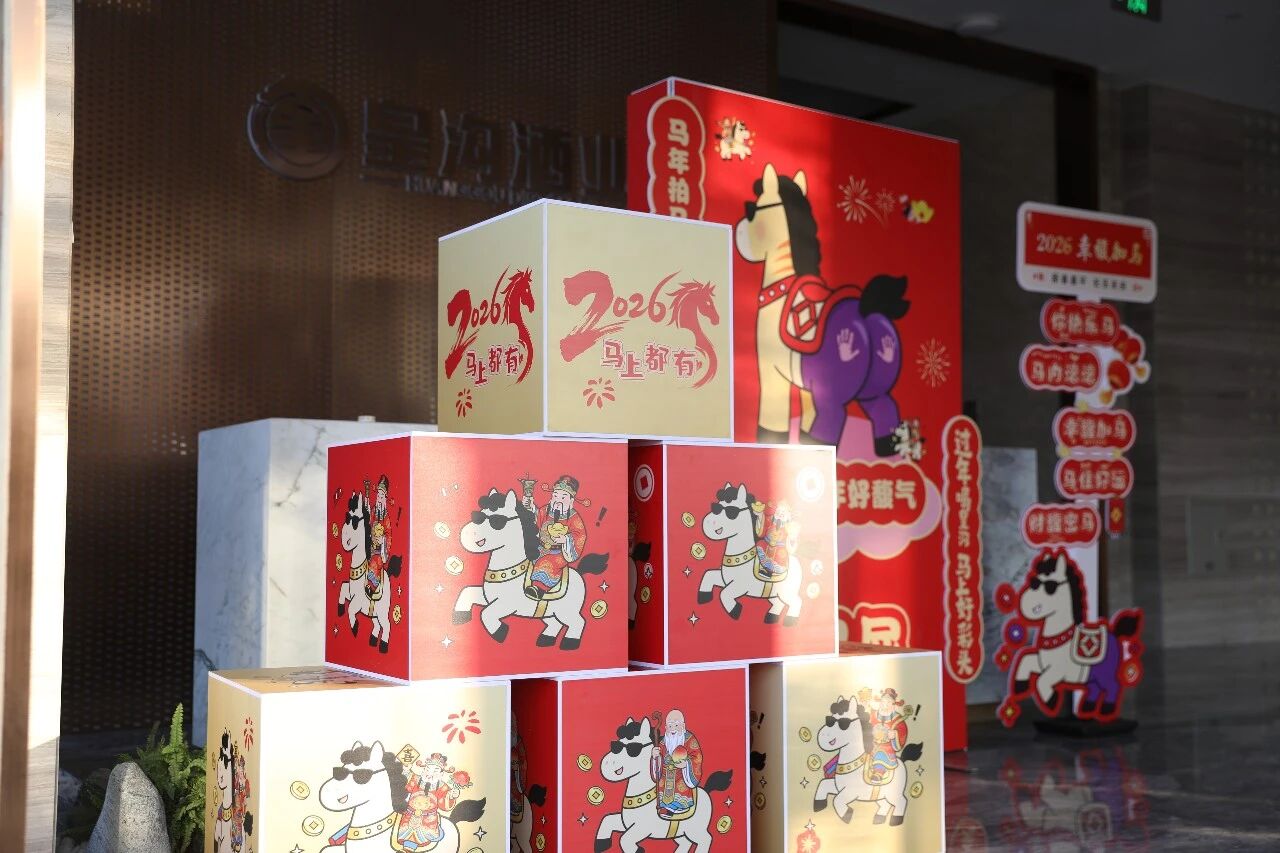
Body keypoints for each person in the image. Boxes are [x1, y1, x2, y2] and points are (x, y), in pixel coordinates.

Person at [525, 475, 588, 599]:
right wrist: (530, 507)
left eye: (563, 497)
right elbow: (536, 520)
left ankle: (538, 589)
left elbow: (580, 535)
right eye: (556, 496)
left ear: (571, 500)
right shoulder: (545, 510)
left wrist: (565, 539)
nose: (558, 500)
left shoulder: (574, 518)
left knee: (547, 563)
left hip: (558, 553)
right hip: (539, 547)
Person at [650, 709, 703, 820]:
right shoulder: (663, 742)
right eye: (670, 725)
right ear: (666, 727)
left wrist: (686, 764)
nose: (673, 728)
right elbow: (659, 762)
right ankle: (664, 805)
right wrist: (655, 757)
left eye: (676, 725)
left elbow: (697, 757)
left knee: (679, 788)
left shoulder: (689, 739)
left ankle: (676, 806)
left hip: (681, 776)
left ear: (683, 726)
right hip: (665, 778)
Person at [868, 688, 909, 784]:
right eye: (883, 702)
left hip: (887, 748)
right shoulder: (873, 714)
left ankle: (878, 773)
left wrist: (895, 735)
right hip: (871, 745)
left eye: (888, 702)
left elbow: (902, 731)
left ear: (893, 704)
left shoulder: (898, 720)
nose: (885, 705)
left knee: (880, 754)